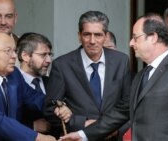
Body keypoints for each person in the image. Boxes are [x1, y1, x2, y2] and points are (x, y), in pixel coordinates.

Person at [59, 13, 168, 141]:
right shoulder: (141, 75)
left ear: (153, 37)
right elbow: (120, 113)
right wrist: (83, 135)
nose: (131, 43)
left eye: (135, 37)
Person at [0, 31, 71, 141]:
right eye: (8, 51)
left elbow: (35, 99)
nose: (15, 56)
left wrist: (58, 107)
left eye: (14, 51)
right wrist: (39, 138)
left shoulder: (14, 74)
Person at [43, 11, 131, 140]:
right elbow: (50, 109)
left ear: (106, 36)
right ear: (79, 36)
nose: (92, 41)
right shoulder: (62, 65)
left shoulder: (121, 61)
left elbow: (129, 105)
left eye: (98, 35)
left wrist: (114, 129)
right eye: (87, 34)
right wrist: (82, 123)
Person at [16, 32, 55, 133]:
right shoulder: (11, 83)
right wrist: (31, 127)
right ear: (25, 56)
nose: (49, 60)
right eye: (43, 55)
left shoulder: (53, 82)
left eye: (50, 55)